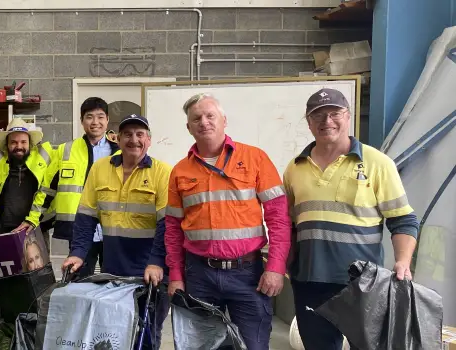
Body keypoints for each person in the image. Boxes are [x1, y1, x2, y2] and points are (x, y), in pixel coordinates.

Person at [283, 88, 419, 350]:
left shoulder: (378, 163)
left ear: (348, 116)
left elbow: (403, 219)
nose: (327, 121)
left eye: (334, 113)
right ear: (309, 123)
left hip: (363, 283)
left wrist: (403, 262)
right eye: (318, 116)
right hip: (310, 282)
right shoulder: (295, 168)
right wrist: (285, 266)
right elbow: (288, 225)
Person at [164, 93, 291, 350]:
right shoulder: (180, 171)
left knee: (253, 345)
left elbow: (279, 218)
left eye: (210, 115)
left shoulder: (255, 159)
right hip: (198, 275)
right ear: (188, 127)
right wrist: (176, 276)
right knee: (201, 345)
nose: (204, 122)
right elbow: (172, 230)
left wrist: (276, 267)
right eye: (196, 118)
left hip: (248, 274)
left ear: (224, 120)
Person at [62, 114, 173, 349]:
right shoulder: (100, 169)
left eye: (140, 134)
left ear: (149, 140)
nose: (134, 140)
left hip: (150, 272)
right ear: (118, 139)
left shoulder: (162, 172)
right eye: (128, 134)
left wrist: (156, 262)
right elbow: (86, 216)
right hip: (114, 270)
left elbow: (167, 225)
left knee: (148, 332)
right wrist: (79, 253)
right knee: (115, 331)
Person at [42, 97, 120, 278]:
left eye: (100, 117)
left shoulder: (120, 151)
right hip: (81, 233)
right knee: (79, 285)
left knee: (114, 285)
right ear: (82, 121)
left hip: (114, 231)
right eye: (89, 117)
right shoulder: (65, 150)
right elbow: (47, 189)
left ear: (107, 120)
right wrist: (34, 220)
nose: (95, 122)